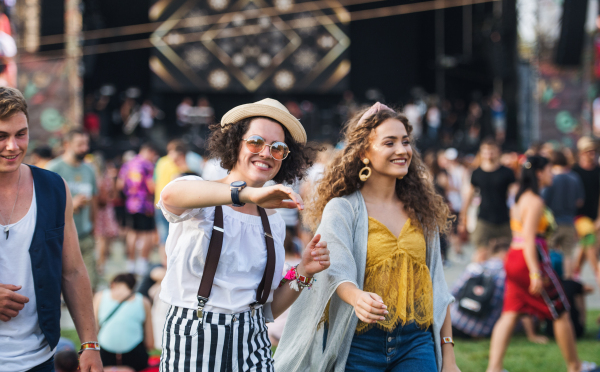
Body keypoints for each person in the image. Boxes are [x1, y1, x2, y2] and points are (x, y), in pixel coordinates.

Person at [275, 103, 459, 372]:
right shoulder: (343, 208)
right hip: (357, 344)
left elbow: (438, 289)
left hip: (416, 343)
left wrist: (449, 356)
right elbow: (335, 270)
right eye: (389, 142)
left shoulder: (422, 210)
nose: (402, 150)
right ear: (364, 152)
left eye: (405, 142)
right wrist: (356, 297)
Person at [157, 98, 330, 370]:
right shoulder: (199, 193)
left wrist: (304, 270)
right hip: (195, 340)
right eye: (255, 142)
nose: (266, 153)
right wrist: (247, 193)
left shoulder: (273, 221)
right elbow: (170, 196)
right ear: (235, 143)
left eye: (278, 148)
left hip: (253, 341)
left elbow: (268, 308)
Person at [0, 87, 102, 371]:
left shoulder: (53, 187)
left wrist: (90, 344)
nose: (13, 146)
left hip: (38, 356)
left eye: (21, 134)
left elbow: (72, 270)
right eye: (1, 136)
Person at [486, 156, 584, 372]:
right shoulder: (535, 201)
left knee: (510, 313)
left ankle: (494, 368)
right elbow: (529, 238)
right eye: (549, 170)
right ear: (539, 173)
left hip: (514, 257)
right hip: (530, 260)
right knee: (561, 311)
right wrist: (535, 273)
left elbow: (519, 236)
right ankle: (575, 366)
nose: (552, 175)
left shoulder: (519, 198)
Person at [47, 128, 99, 290]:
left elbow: (94, 201)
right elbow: (44, 206)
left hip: (84, 236)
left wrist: (93, 227)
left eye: (86, 143)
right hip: (60, 237)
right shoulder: (54, 168)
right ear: (67, 144)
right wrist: (70, 205)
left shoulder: (89, 169)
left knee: (91, 284)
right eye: (80, 144)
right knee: (61, 285)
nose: (85, 148)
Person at [459, 138, 516, 262]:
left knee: (506, 254)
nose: (489, 154)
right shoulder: (476, 173)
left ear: (498, 151)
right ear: (482, 153)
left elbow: (514, 195)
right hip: (484, 218)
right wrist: (463, 217)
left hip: (504, 218)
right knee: (481, 253)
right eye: (486, 151)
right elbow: (469, 195)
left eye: (492, 151)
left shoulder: (507, 172)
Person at [93, 273, 153, 371]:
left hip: (104, 358)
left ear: (113, 284)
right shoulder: (143, 301)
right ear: (133, 287)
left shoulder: (99, 297)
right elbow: (150, 343)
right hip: (135, 360)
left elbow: (93, 331)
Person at [451, 241, 509, 339]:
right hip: (481, 332)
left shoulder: (475, 268)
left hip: (455, 322)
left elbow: (452, 294)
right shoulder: (507, 276)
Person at [543, 150, 585, 279]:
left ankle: (551, 280)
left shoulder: (551, 179)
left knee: (547, 254)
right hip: (569, 221)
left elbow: (543, 201)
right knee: (568, 255)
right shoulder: (574, 177)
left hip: (552, 223)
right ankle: (568, 282)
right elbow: (580, 201)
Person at [118, 143, 158, 276]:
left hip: (130, 204)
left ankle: (130, 264)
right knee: (146, 234)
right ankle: (142, 263)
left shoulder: (128, 164)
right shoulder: (147, 165)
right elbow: (151, 186)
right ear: (149, 152)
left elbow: (120, 184)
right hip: (145, 205)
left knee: (132, 233)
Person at [572, 137, 600, 289]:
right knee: (590, 241)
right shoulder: (575, 171)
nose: (592, 155)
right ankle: (597, 271)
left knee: (585, 244)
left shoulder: (597, 171)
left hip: (593, 216)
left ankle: (575, 271)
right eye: (589, 152)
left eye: (594, 152)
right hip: (578, 216)